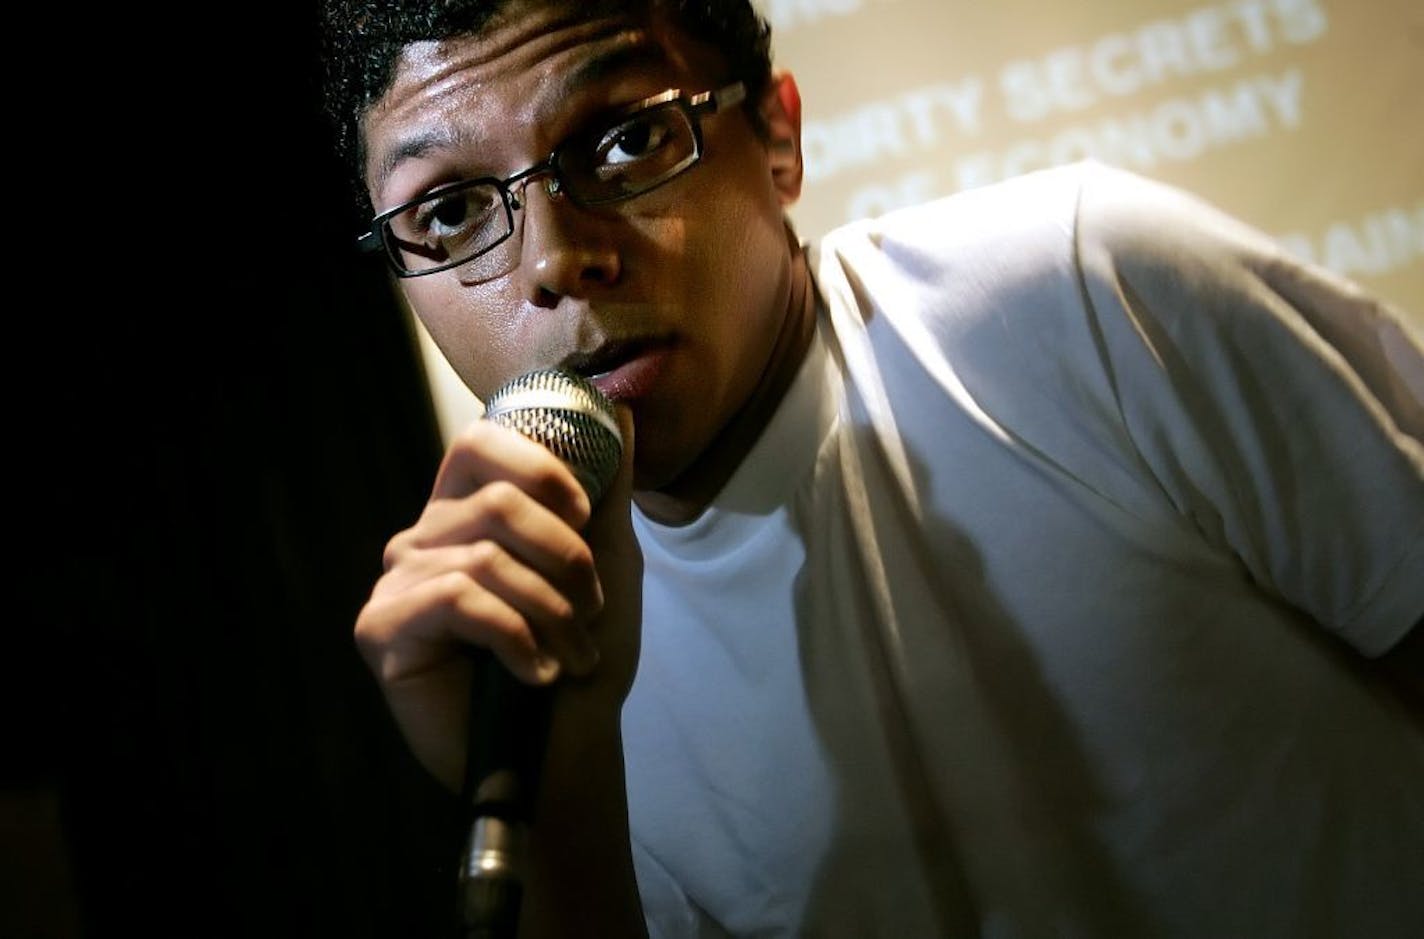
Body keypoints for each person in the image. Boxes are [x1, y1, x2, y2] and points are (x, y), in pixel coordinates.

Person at [318, 1, 1424, 935]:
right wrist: (557, 812)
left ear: (777, 138)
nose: (556, 257)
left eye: (623, 140)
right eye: (452, 211)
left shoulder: (1083, 286)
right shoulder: (507, 645)